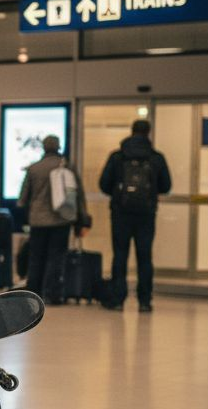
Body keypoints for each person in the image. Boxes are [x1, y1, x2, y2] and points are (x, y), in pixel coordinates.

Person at [98, 119, 172, 312]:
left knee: (120, 256)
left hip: (120, 214)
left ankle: (117, 299)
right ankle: (145, 301)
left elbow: (104, 184)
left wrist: (118, 194)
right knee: (144, 257)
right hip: (146, 215)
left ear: (131, 132)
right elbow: (166, 186)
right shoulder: (156, 157)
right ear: (148, 133)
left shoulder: (117, 157)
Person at [17, 135, 90, 303]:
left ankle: (33, 292)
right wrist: (82, 220)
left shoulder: (34, 169)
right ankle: (52, 293)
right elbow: (77, 196)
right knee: (56, 257)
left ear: (43, 147)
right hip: (61, 220)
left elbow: (22, 199)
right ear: (58, 147)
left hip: (38, 221)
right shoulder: (68, 168)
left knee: (36, 257)